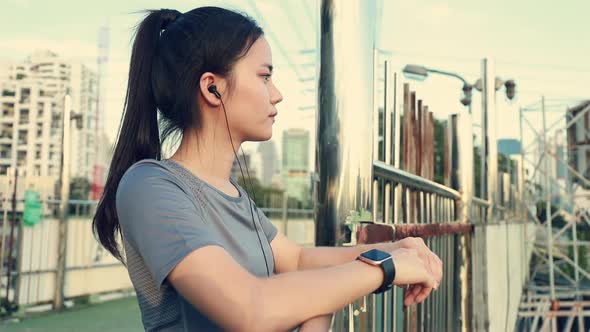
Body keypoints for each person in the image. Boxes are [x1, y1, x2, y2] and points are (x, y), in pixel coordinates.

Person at [92, 6, 442, 332]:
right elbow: (250, 306)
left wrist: (397, 248)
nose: (276, 94)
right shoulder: (150, 187)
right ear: (212, 88)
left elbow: (299, 259)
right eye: (264, 77)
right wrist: (383, 268)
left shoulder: (235, 195)